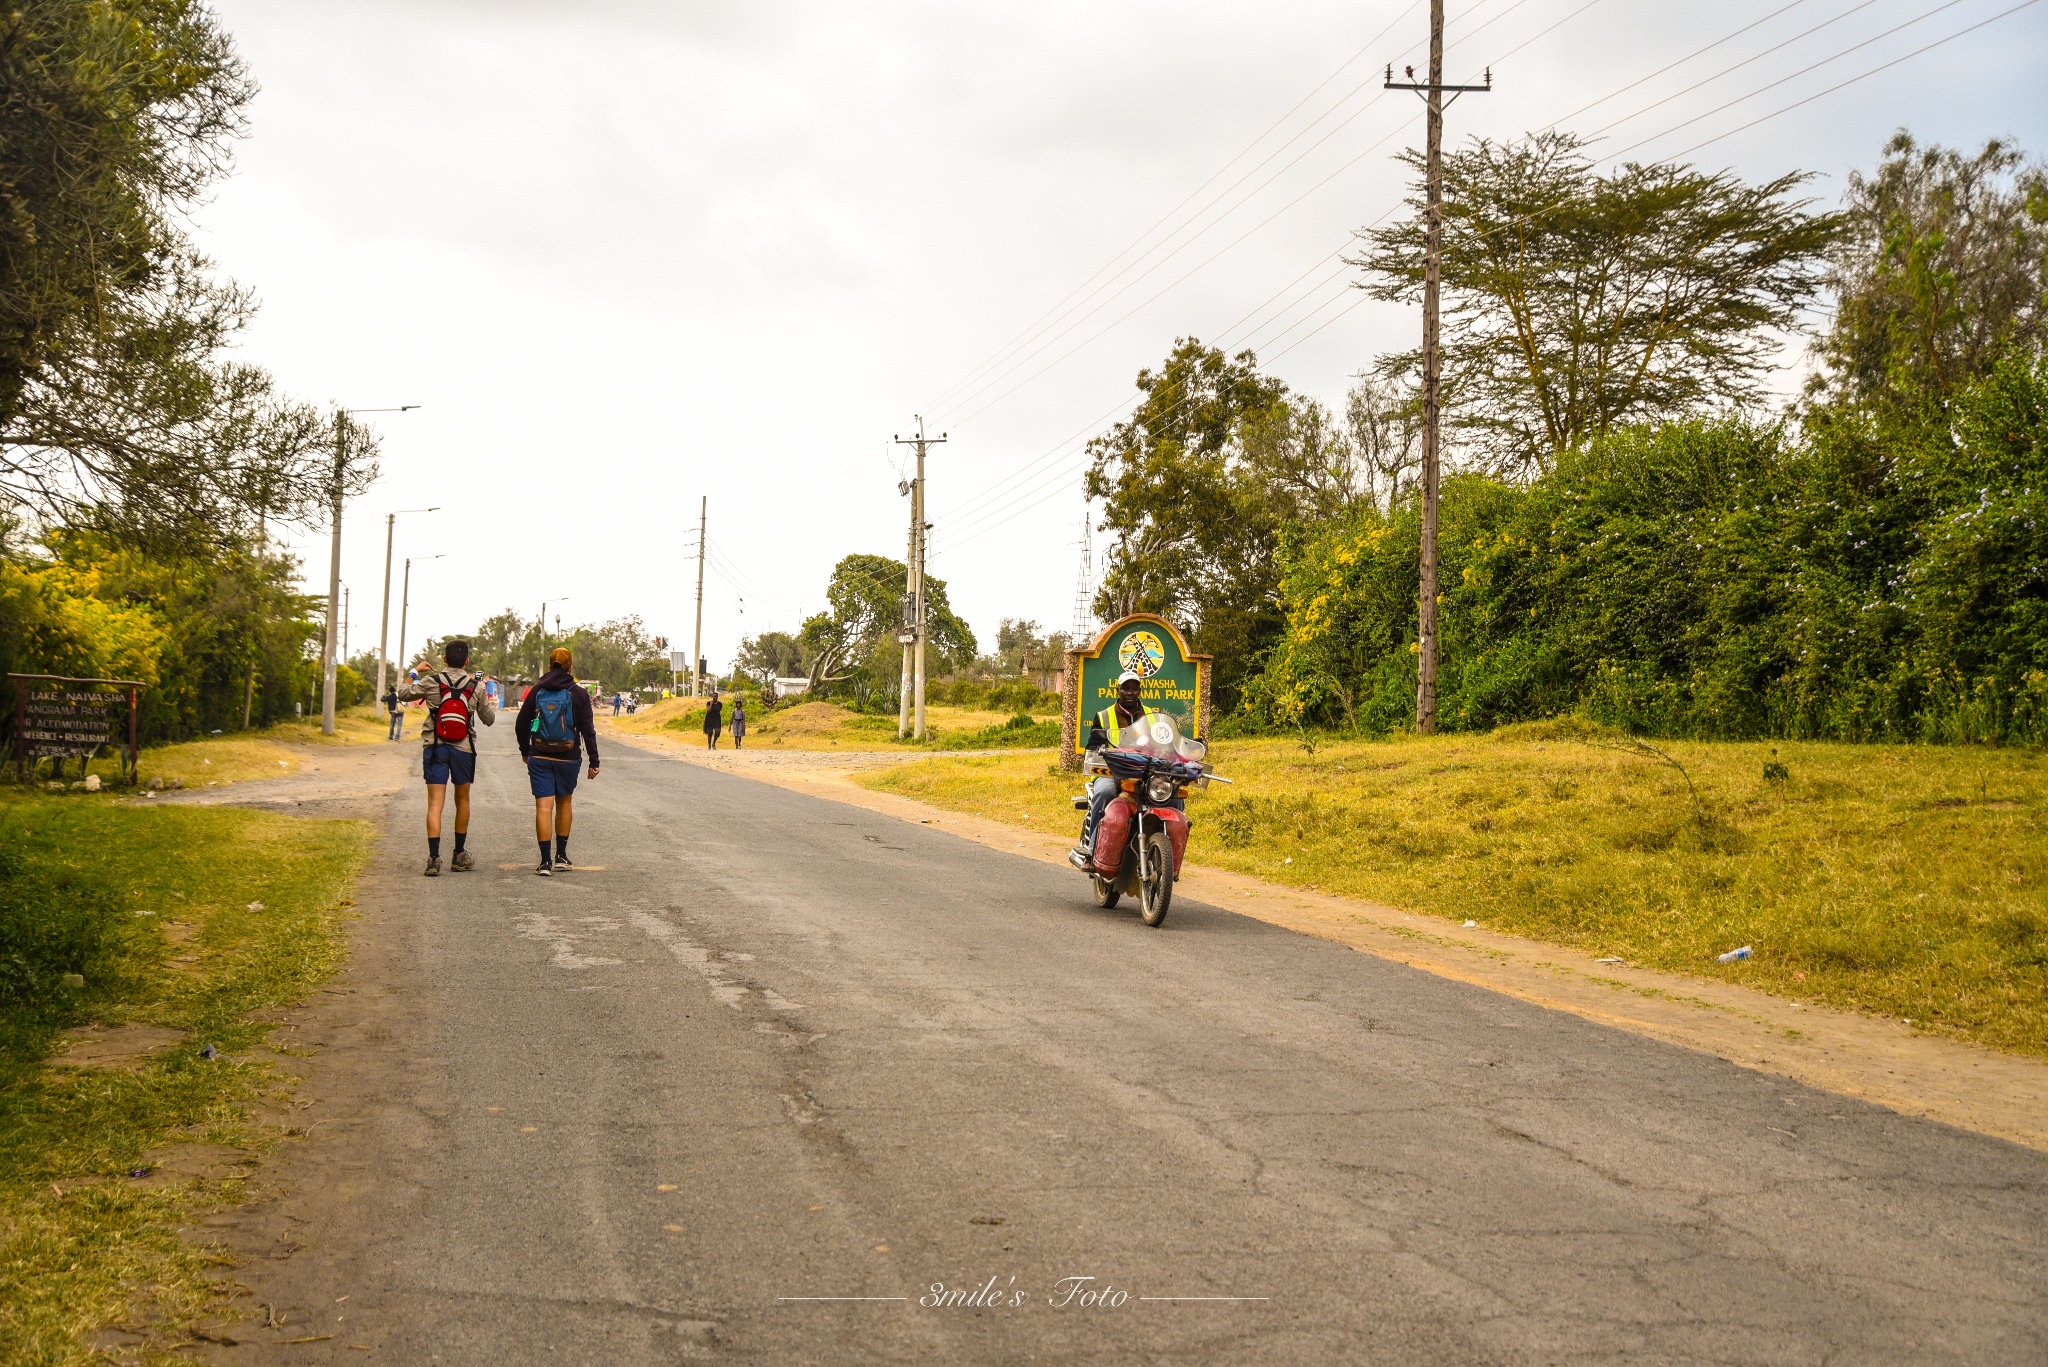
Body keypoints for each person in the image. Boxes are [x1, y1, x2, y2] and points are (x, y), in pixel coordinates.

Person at [397, 640, 495, 876]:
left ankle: (433, 859)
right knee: (462, 800)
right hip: (463, 749)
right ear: (467, 662)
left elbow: (402, 693)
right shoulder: (476, 686)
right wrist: (480, 696)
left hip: (435, 746)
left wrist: (414, 672)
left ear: (444, 660)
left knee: (434, 804)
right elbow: (489, 719)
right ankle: (459, 856)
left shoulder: (432, 681)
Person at [518, 646, 599, 876]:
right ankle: (561, 856)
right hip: (568, 756)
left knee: (544, 806)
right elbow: (588, 730)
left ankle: (545, 862)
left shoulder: (537, 691)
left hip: (540, 755)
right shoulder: (579, 693)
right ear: (570, 666)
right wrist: (594, 761)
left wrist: (526, 750)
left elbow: (521, 724)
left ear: (549, 664)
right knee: (564, 802)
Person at [1069, 670, 1162, 870]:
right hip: (1112, 772)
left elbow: (1163, 745)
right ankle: (1092, 852)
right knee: (1104, 792)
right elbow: (1092, 748)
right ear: (1117, 690)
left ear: (1139, 691)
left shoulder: (1152, 716)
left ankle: (1165, 852)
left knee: (1172, 795)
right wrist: (1101, 755)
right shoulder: (1104, 716)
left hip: (1144, 773)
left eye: (1134, 688)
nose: (1130, 692)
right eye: (1125, 688)